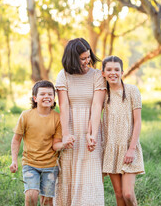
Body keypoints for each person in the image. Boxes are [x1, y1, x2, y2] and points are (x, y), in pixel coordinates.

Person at [54, 38, 106, 206]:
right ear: (72, 58)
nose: (87, 61)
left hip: (91, 124)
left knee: (90, 170)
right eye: (82, 58)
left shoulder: (97, 75)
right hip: (69, 125)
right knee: (67, 172)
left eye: (88, 57)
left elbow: (97, 105)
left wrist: (92, 134)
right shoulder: (63, 75)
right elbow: (64, 105)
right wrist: (66, 134)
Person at [9, 80, 72, 206]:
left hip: (50, 166)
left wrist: (64, 144)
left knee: (46, 201)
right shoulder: (26, 116)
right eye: (42, 94)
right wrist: (14, 160)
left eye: (50, 94)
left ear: (54, 98)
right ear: (35, 98)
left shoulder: (57, 118)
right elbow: (16, 140)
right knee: (31, 196)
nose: (47, 97)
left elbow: (56, 145)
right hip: (30, 164)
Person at [101, 56, 145, 206]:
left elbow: (138, 121)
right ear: (103, 73)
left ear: (122, 72)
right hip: (111, 148)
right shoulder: (103, 94)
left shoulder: (132, 91)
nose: (113, 73)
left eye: (116, 69)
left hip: (128, 147)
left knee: (127, 193)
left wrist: (132, 149)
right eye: (109, 69)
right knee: (119, 194)